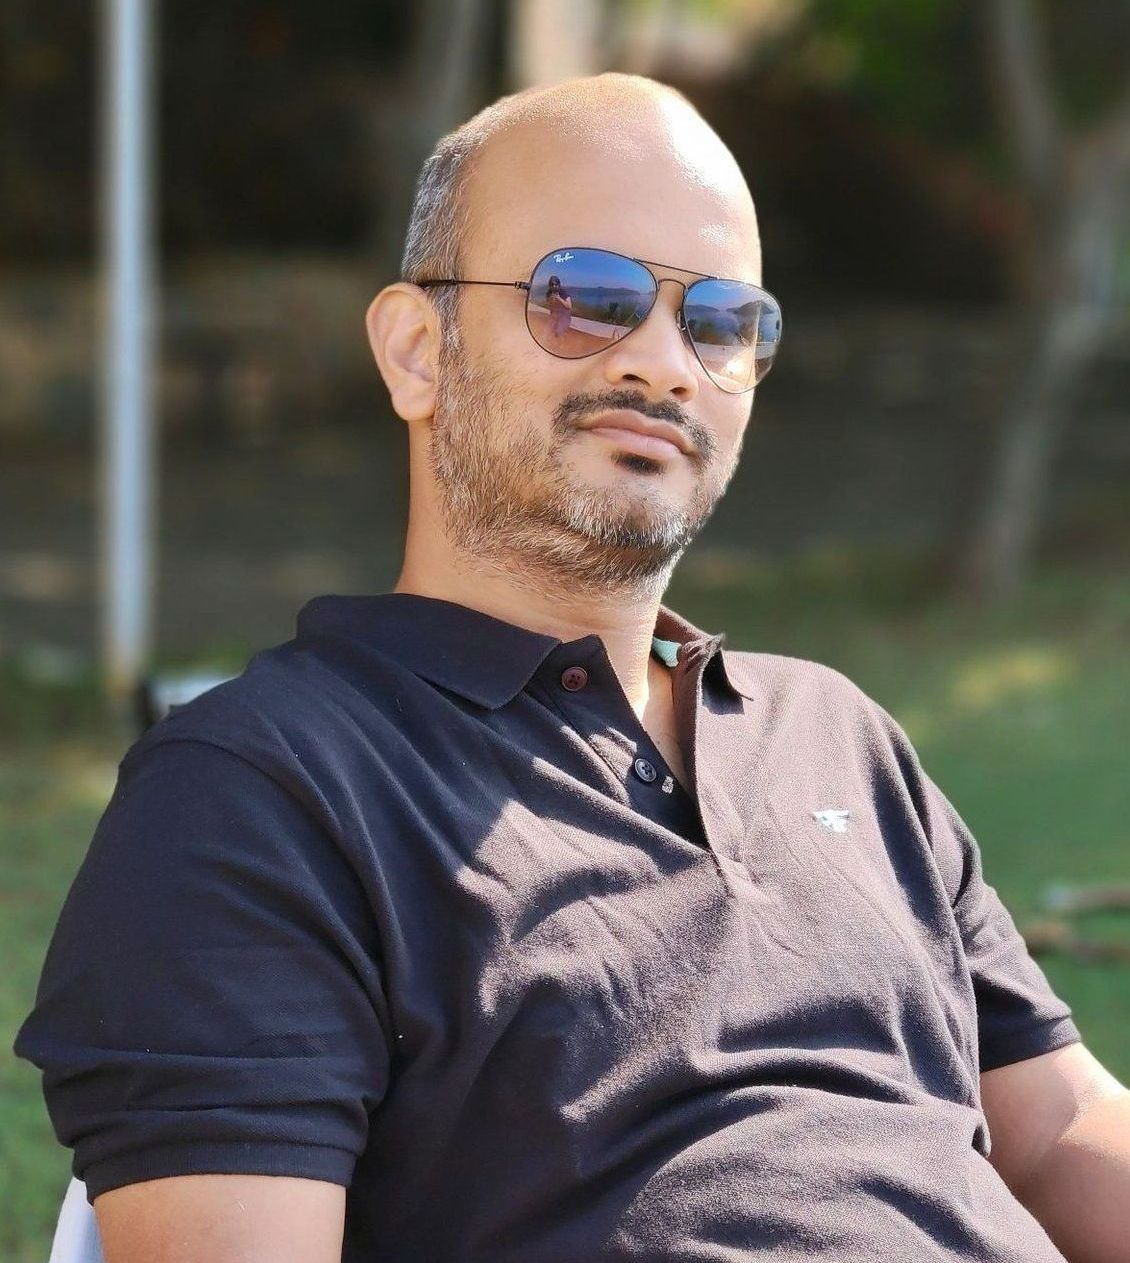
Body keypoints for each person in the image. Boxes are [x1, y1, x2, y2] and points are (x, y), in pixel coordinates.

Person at [14, 73, 1130, 1263]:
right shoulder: (260, 793)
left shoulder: (836, 736)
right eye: (587, 298)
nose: (663, 364)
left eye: (721, 323)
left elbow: (1059, 1131)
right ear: (415, 351)